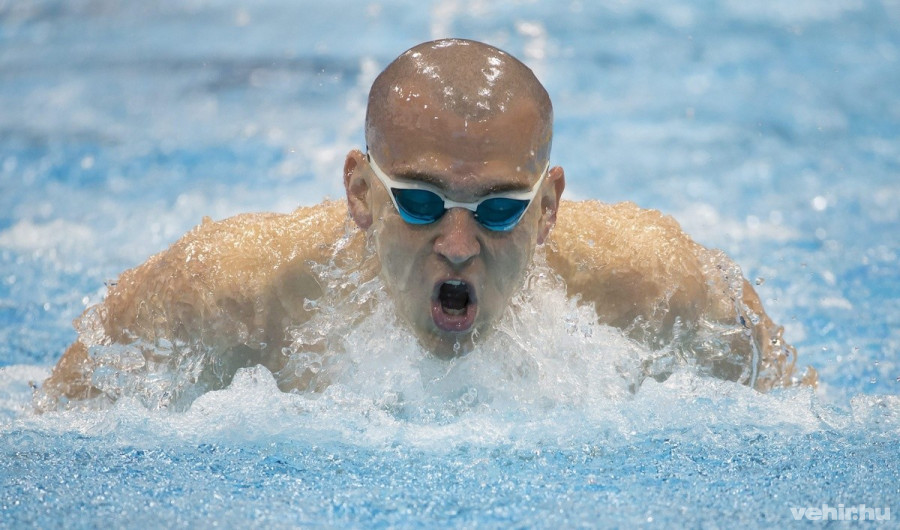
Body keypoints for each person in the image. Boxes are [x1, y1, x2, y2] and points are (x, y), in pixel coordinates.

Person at [40, 39, 815, 409]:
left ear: (548, 209)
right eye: (417, 202)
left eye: (501, 210)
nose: (456, 245)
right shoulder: (227, 289)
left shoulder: (656, 282)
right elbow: (50, 437)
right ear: (358, 192)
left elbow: (805, 421)